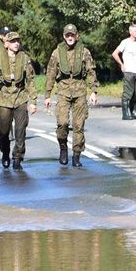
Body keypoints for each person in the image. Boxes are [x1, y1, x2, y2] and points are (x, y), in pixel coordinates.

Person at [44, 23, 97, 167]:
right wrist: (47, 95)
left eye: (72, 35)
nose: (70, 37)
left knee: (78, 125)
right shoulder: (57, 53)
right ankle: (63, 148)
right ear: (63, 36)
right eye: (67, 35)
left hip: (80, 91)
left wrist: (93, 91)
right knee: (62, 123)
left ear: (76, 35)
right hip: (63, 91)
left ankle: (76, 155)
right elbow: (50, 73)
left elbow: (91, 71)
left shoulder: (84, 52)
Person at [0, 30, 37, 170]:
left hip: (20, 98)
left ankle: (18, 157)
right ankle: (5, 152)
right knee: (3, 131)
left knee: (20, 131)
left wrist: (33, 102)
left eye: (18, 41)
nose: (16, 44)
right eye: (13, 41)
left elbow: (31, 81)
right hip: (4, 99)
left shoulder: (25, 58)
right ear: (6, 44)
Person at [111, 24, 136, 120]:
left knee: (135, 92)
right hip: (128, 71)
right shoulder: (125, 42)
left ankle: (134, 112)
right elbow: (115, 54)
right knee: (127, 93)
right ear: (130, 32)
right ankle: (125, 113)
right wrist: (121, 64)